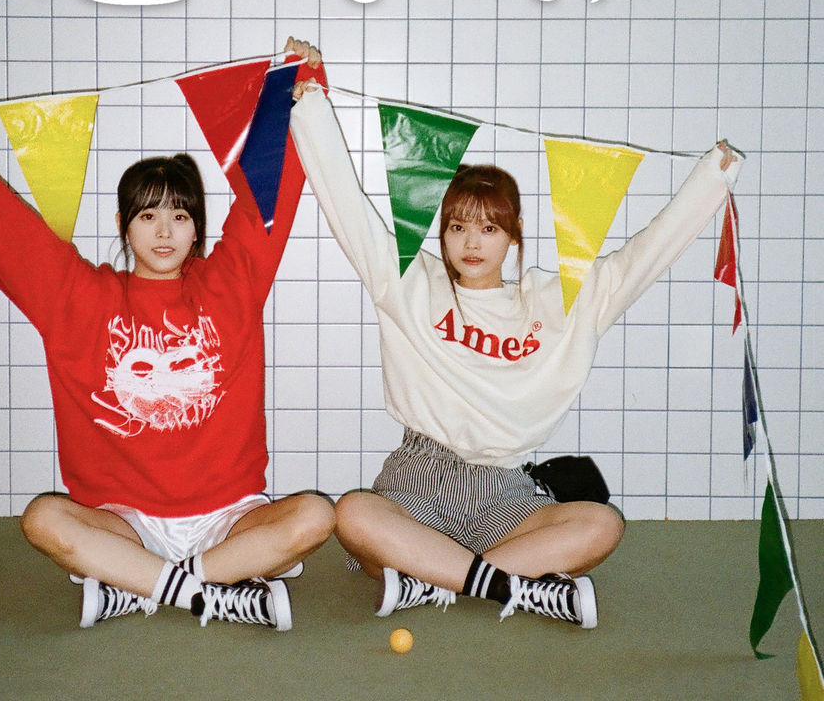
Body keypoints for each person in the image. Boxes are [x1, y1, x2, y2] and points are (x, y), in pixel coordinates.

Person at [0, 39, 335, 632]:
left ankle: (139, 585)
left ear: (197, 229)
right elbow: (2, 224)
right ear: (124, 226)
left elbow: (264, 201)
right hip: (124, 519)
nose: (164, 231)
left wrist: (297, 92)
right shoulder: (80, 298)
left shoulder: (232, 282)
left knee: (315, 517)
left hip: (229, 516)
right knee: (43, 520)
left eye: (180, 215)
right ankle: (210, 591)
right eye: (148, 215)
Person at [289, 79, 741, 629]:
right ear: (442, 233)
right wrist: (310, 104)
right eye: (457, 227)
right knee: (354, 514)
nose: (471, 243)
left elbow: (643, 257)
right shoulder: (408, 280)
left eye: (488, 228)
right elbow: (346, 205)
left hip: (506, 489)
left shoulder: (558, 301)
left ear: (513, 234)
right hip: (420, 477)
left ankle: (432, 578)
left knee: (602, 526)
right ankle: (508, 585)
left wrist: (712, 178)